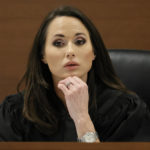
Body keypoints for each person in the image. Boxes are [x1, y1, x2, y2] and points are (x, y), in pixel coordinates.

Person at [0, 5, 150, 142]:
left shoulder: (126, 110)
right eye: (58, 43)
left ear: (94, 53)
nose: (70, 51)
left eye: (80, 41)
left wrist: (81, 118)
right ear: (43, 56)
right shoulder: (16, 111)